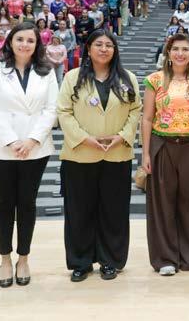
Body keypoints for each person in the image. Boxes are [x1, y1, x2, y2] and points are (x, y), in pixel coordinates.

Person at [57, 29, 142, 282]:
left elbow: (135, 110)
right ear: (88, 48)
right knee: (79, 211)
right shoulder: (73, 77)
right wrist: (84, 138)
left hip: (117, 154)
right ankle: (80, 262)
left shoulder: (127, 78)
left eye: (109, 45)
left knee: (114, 211)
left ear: (115, 50)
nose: (104, 49)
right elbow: (63, 111)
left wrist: (122, 136)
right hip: (80, 154)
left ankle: (110, 260)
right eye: (99, 44)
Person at [0, 21, 59, 287]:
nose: (25, 44)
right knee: (2, 203)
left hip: (35, 148)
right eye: (20, 39)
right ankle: (5, 259)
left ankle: (23, 258)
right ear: (10, 42)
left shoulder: (47, 72)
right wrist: (12, 141)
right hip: (1, 148)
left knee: (27, 203)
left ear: (37, 45)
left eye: (30, 40)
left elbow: (51, 109)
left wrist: (32, 139)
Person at [141, 34, 189, 275]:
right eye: (176, 49)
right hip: (162, 144)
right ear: (168, 53)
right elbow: (147, 118)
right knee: (162, 204)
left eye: (185, 49)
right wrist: (145, 154)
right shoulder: (155, 80)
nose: (180, 54)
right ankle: (165, 258)